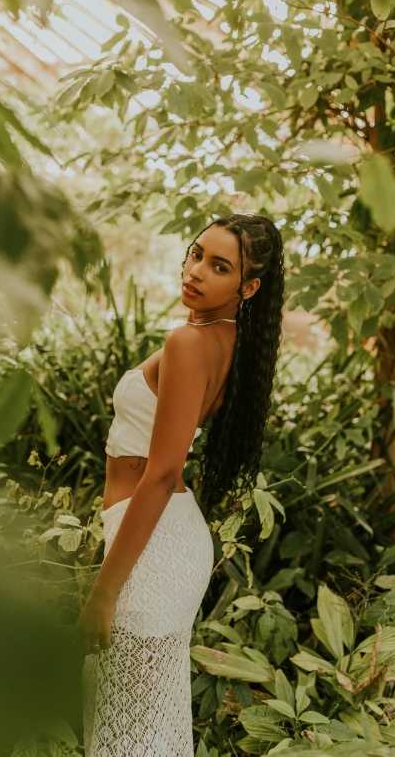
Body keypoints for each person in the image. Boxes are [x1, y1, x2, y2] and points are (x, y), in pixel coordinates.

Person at [79, 213, 285, 756]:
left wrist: (103, 592)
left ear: (249, 286)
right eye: (196, 254)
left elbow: (163, 470)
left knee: (128, 733)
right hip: (161, 538)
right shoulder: (228, 339)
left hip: (154, 548)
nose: (195, 271)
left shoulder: (189, 342)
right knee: (143, 722)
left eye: (219, 267)